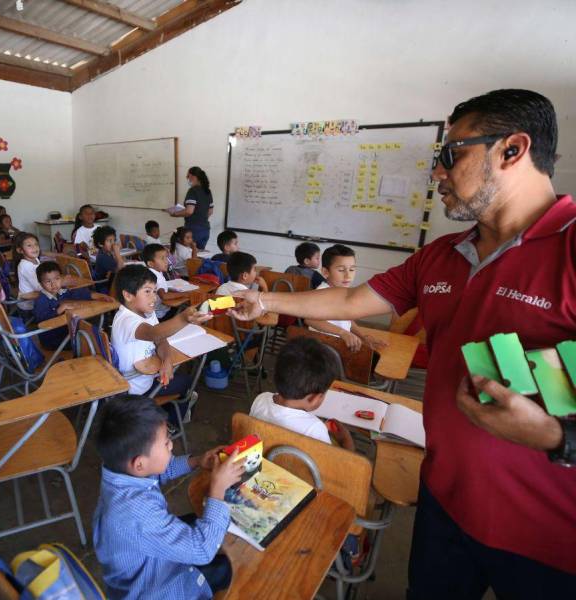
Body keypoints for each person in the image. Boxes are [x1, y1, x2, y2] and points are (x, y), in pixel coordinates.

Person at [229, 89, 576, 595]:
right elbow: (350, 303)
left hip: (547, 534)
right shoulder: (441, 255)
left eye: (449, 155)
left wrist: (553, 437)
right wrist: (268, 304)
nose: (436, 173)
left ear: (512, 150)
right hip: (444, 502)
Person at [93, 395, 244, 599]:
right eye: (166, 443)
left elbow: (160, 471)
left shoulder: (120, 472)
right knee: (233, 568)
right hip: (157, 589)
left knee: (204, 523)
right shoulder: (136, 512)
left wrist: (197, 461)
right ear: (139, 464)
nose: (171, 445)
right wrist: (218, 489)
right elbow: (201, 550)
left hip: (148, 563)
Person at [111, 265, 210, 402]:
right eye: (147, 291)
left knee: (179, 379)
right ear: (128, 295)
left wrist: (167, 360)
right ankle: (177, 415)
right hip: (134, 391)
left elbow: (160, 339)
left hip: (148, 378)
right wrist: (183, 318)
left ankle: (172, 413)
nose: (154, 298)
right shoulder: (126, 321)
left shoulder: (147, 312)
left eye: (155, 291)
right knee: (187, 382)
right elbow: (154, 334)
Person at [250, 337, 353, 450]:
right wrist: (346, 441)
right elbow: (336, 464)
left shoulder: (260, 399)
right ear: (313, 398)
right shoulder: (315, 429)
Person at [305, 244, 383, 352]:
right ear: (325, 272)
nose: (348, 276)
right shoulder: (322, 292)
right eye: (341, 270)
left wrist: (363, 337)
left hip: (338, 346)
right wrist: (343, 333)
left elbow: (347, 319)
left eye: (351, 270)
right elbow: (310, 319)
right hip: (322, 349)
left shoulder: (342, 292)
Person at [33, 261, 113, 350]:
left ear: (61, 278)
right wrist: (60, 309)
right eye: (48, 281)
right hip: (53, 340)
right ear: (40, 283)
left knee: (91, 328)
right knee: (88, 339)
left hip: (65, 331)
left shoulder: (61, 292)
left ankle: (103, 342)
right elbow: (42, 321)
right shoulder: (41, 300)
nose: (54, 284)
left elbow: (79, 294)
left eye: (57, 279)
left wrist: (99, 296)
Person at [167, 167, 214, 249]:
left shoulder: (193, 191)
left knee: (190, 256)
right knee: (198, 256)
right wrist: (201, 218)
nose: (187, 179)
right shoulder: (207, 191)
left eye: (188, 176)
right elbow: (210, 212)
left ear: (193, 177)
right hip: (205, 229)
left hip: (193, 230)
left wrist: (174, 213)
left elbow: (189, 211)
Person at [143, 243, 183, 320]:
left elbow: (160, 288)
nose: (166, 261)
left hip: (153, 313)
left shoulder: (153, 271)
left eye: (166, 258)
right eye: (162, 258)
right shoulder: (155, 276)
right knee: (185, 309)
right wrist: (185, 294)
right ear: (151, 263)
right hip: (160, 315)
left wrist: (172, 290)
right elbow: (164, 296)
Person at [13, 232, 42, 312]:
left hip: (36, 298)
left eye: (36, 244)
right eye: (29, 245)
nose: (34, 248)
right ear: (20, 250)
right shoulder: (25, 265)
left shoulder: (35, 259)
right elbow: (39, 287)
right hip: (28, 305)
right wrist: (60, 283)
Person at [92, 225, 125, 294]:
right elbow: (121, 270)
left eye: (114, 240)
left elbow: (118, 263)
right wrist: (117, 253)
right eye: (110, 241)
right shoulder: (103, 257)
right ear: (100, 244)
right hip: (105, 286)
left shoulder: (106, 253)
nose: (113, 243)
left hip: (109, 282)